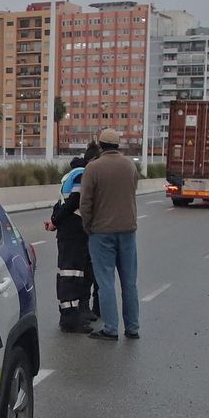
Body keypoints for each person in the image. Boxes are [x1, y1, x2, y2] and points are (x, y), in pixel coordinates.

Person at [79, 128, 142, 341]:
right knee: (129, 281)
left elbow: (85, 202)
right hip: (127, 231)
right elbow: (132, 191)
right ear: (118, 145)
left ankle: (111, 328)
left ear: (100, 145)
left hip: (101, 232)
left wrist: (88, 226)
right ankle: (132, 327)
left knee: (105, 281)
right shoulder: (130, 165)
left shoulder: (93, 168)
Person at [46, 147, 98, 334]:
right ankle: (70, 319)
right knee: (71, 275)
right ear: (92, 160)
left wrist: (55, 220)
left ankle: (73, 315)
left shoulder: (73, 173)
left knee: (72, 274)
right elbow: (73, 202)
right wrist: (55, 221)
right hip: (74, 232)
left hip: (70, 230)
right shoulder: (82, 175)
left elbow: (60, 203)